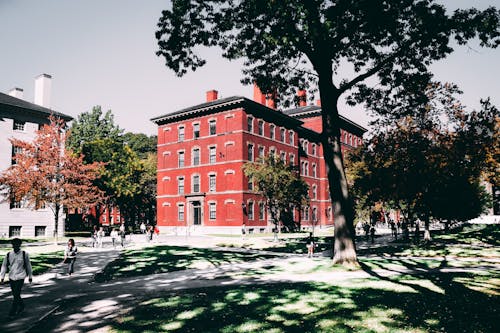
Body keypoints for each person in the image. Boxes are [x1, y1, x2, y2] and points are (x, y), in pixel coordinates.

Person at [0, 238, 33, 317]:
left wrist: (30, 276)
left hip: (21, 276)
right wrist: (2, 277)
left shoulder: (24, 254)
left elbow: (28, 265)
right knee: (16, 294)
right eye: (14, 244)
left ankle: (12, 312)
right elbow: (4, 266)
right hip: (12, 276)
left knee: (16, 293)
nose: (16, 246)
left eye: (17, 244)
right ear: (12, 245)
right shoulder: (8, 254)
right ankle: (21, 305)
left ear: (20, 245)